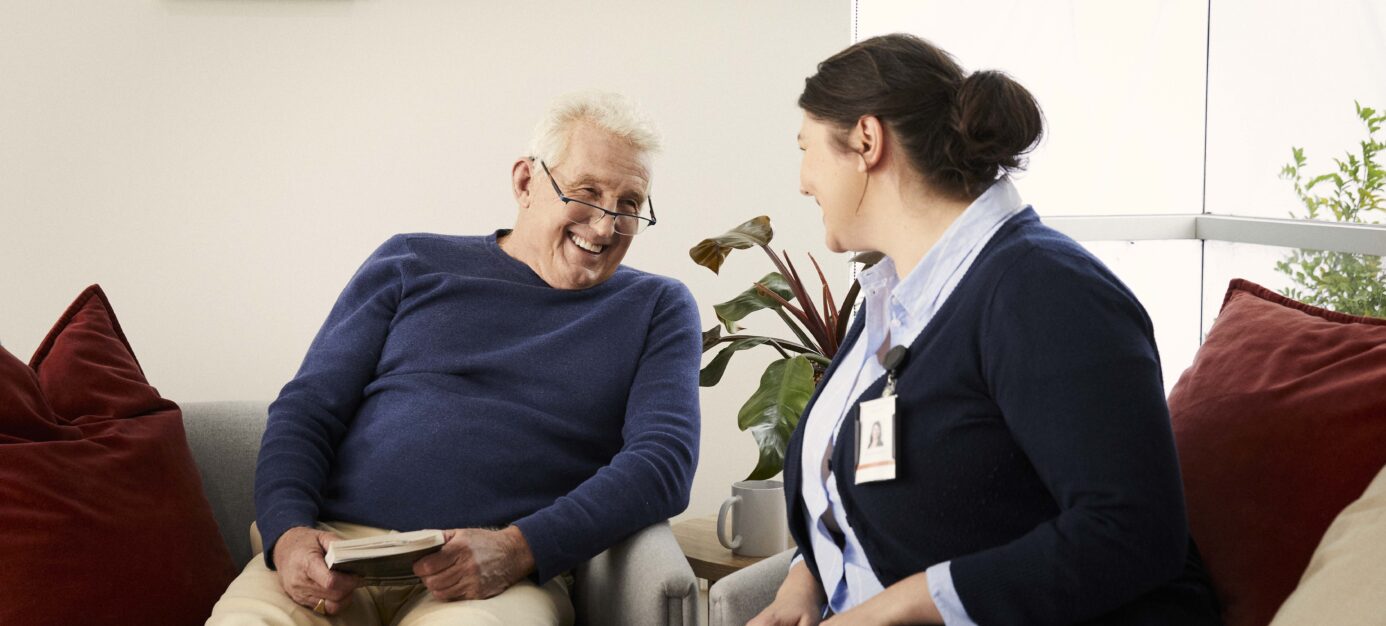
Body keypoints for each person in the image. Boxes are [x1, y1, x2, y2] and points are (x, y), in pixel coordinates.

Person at [750, 34, 1222, 625]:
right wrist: (806, 585)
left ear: (867, 141)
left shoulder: (1046, 291)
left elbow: (1132, 532)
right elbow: (860, 492)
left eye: (806, 148)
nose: (801, 180)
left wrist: (903, 605)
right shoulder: (895, 295)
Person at [207, 91, 702, 626]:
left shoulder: (656, 306)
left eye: (629, 204)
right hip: (339, 552)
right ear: (525, 182)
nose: (606, 226)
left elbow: (664, 462)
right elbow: (307, 409)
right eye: (588, 192)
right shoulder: (412, 261)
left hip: (497, 574)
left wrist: (518, 548)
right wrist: (287, 535)